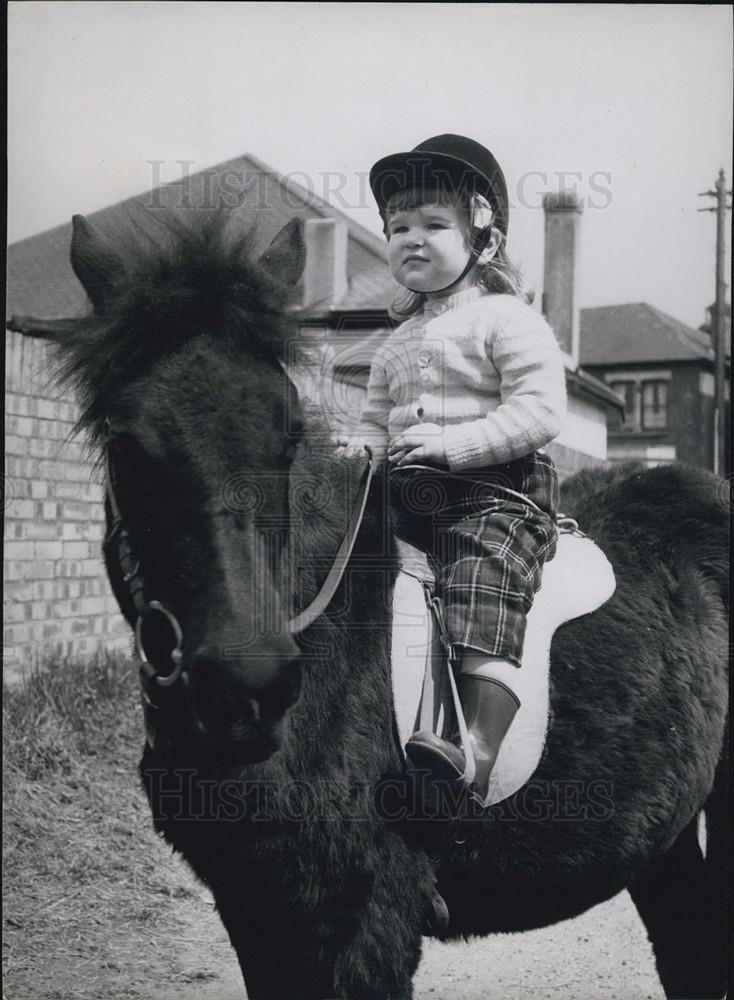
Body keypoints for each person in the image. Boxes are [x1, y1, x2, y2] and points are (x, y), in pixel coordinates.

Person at [338, 134, 566, 808]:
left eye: (434, 225)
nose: (412, 238)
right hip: (407, 497)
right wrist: (358, 460)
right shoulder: (395, 343)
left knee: (480, 574)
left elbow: (541, 412)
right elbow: (374, 426)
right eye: (398, 227)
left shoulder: (507, 319)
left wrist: (455, 445)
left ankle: (475, 751)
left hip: (492, 495)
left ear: (482, 233)